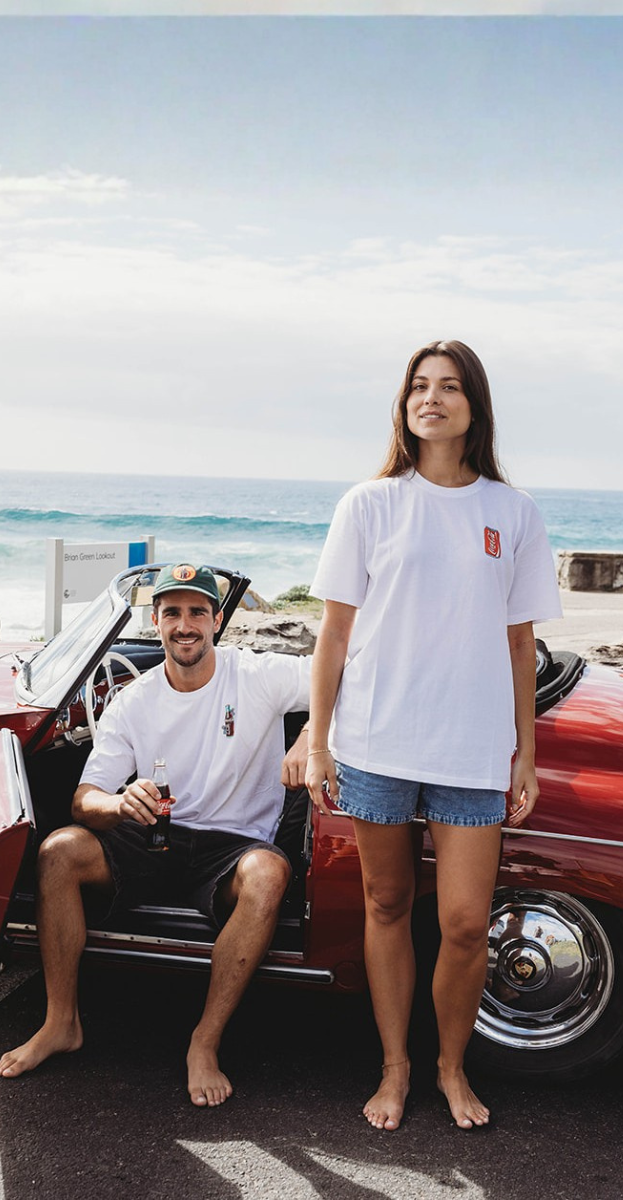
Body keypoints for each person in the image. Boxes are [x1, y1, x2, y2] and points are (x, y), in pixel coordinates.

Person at [305, 340, 561, 1132]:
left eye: (450, 387)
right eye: (420, 385)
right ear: (405, 404)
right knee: (385, 903)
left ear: (473, 408)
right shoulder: (370, 504)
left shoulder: (510, 513)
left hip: (473, 750)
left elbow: (521, 645)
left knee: (460, 922)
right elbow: (334, 636)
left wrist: (526, 752)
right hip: (377, 743)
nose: (432, 398)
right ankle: (396, 1067)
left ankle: (452, 1067)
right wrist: (318, 740)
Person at [0, 563, 311, 1107]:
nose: (184, 625)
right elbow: (83, 799)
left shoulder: (256, 675)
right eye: (172, 613)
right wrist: (119, 803)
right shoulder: (134, 700)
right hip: (153, 837)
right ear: (156, 621)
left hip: (231, 847)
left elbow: (347, 674)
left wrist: (312, 735)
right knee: (58, 851)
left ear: (217, 620)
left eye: (196, 612)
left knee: (271, 872)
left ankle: (203, 1043)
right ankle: (60, 1023)